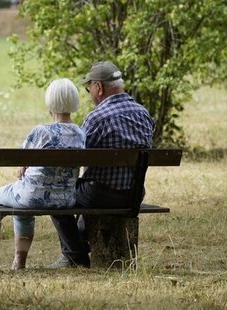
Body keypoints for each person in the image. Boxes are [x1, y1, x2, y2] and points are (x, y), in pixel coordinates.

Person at [50, 61, 155, 268]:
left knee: (56, 194)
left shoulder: (97, 118)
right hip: (133, 195)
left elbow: (76, 156)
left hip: (100, 195)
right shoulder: (143, 114)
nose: (90, 94)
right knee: (85, 188)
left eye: (89, 89)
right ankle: (80, 244)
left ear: (98, 87)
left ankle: (74, 255)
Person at [0, 78, 86, 271]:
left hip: (32, 197)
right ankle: (18, 262)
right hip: (65, 200)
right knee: (21, 206)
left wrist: (24, 166)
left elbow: (21, 163)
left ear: (50, 103)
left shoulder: (41, 132)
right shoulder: (81, 133)